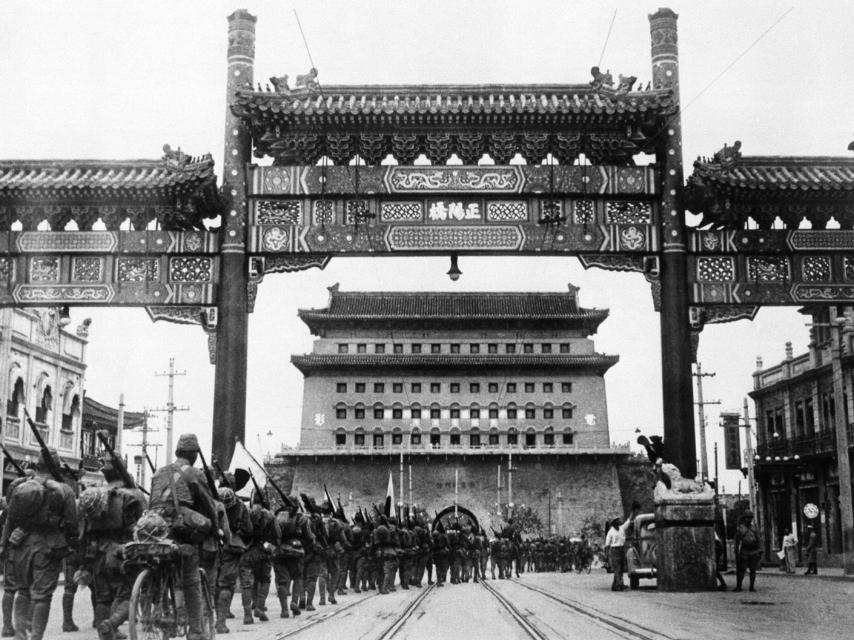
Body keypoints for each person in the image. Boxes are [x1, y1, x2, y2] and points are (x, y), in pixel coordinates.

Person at [0, 448, 78, 640]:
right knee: (42, 596)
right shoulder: (65, 489)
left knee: (23, 591)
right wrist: (71, 545)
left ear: (38, 464)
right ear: (57, 466)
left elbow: (10, 518)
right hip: (48, 546)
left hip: (21, 545)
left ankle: (19, 635)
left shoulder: (21, 486)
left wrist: (4, 545)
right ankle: (35, 637)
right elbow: (71, 524)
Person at [148, 434, 219, 640]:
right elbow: (208, 504)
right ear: (194, 454)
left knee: (159, 571)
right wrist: (215, 528)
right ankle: (196, 630)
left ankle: (162, 613)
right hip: (180, 528)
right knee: (190, 578)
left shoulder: (159, 472)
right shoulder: (194, 473)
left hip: (156, 528)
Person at [79, 457, 146, 640]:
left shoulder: (94, 495)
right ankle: (111, 625)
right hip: (122, 552)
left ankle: (106, 634)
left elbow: (84, 532)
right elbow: (142, 526)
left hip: (98, 553)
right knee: (128, 595)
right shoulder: (132, 495)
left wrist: (84, 562)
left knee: (103, 598)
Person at [214, 486, 252, 633]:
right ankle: (221, 622)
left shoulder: (212, 504)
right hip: (231, 547)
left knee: (214, 583)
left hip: (213, 545)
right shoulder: (241, 507)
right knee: (226, 585)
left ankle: (212, 618)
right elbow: (249, 530)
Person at [604, 507, 637, 591]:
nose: (620, 521)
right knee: (617, 568)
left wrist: (633, 510)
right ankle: (620, 585)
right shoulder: (610, 532)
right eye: (618, 520)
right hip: (614, 551)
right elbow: (607, 545)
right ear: (614, 523)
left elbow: (629, 520)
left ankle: (615, 585)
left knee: (621, 568)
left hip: (621, 550)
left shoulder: (621, 528)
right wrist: (607, 556)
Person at [734, 511, 761, 592]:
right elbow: (737, 541)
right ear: (744, 518)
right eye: (747, 517)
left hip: (753, 551)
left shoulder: (754, 528)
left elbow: (759, 540)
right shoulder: (740, 528)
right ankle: (739, 586)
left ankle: (751, 587)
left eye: (750, 518)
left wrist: (760, 551)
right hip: (744, 551)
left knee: (753, 570)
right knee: (741, 570)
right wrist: (736, 551)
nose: (749, 519)